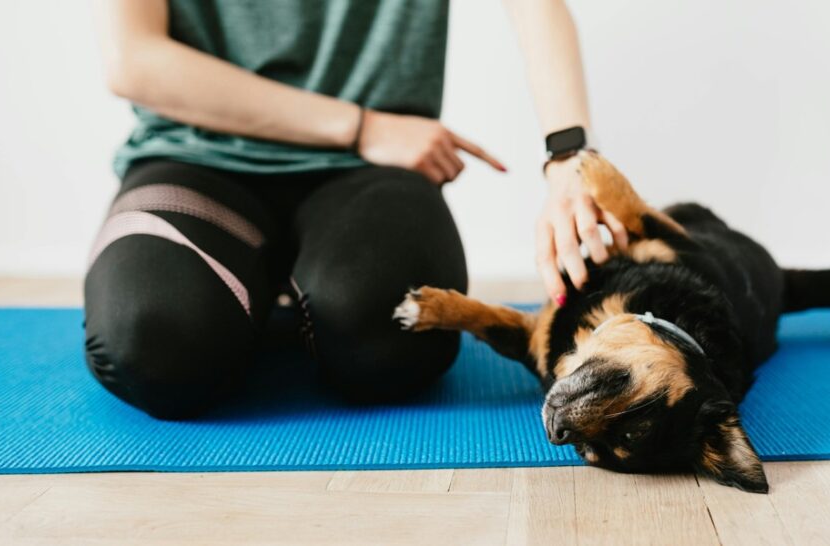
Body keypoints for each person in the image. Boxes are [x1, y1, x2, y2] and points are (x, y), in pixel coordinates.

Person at [85, 0, 629, 420]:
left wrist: (570, 159)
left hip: (367, 174)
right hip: (195, 159)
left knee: (393, 342)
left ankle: (284, 309)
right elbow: (133, 60)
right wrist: (361, 125)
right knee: (152, 345)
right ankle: (254, 309)